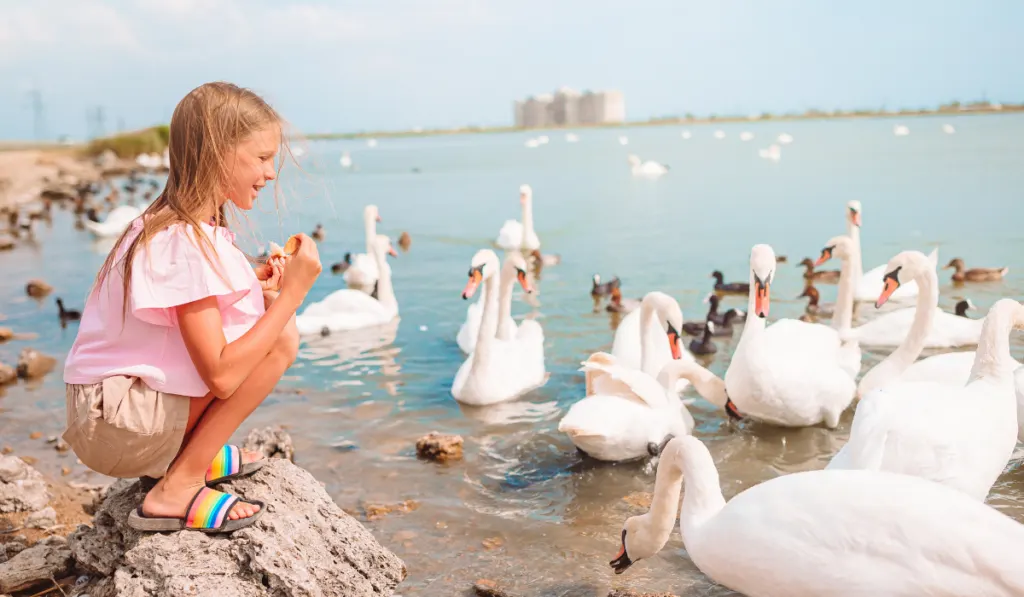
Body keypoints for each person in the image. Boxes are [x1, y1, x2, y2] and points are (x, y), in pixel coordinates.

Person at [62, 82, 322, 533]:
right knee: (279, 337)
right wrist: (293, 296)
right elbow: (221, 374)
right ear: (218, 152)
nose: (271, 173)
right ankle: (178, 484)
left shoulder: (173, 225)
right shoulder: (184, 242)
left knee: (262, 326)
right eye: (262, 158)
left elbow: (184, 314)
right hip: (117, 428)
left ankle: (189, 446)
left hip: (109, 413)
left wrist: (254, 282)